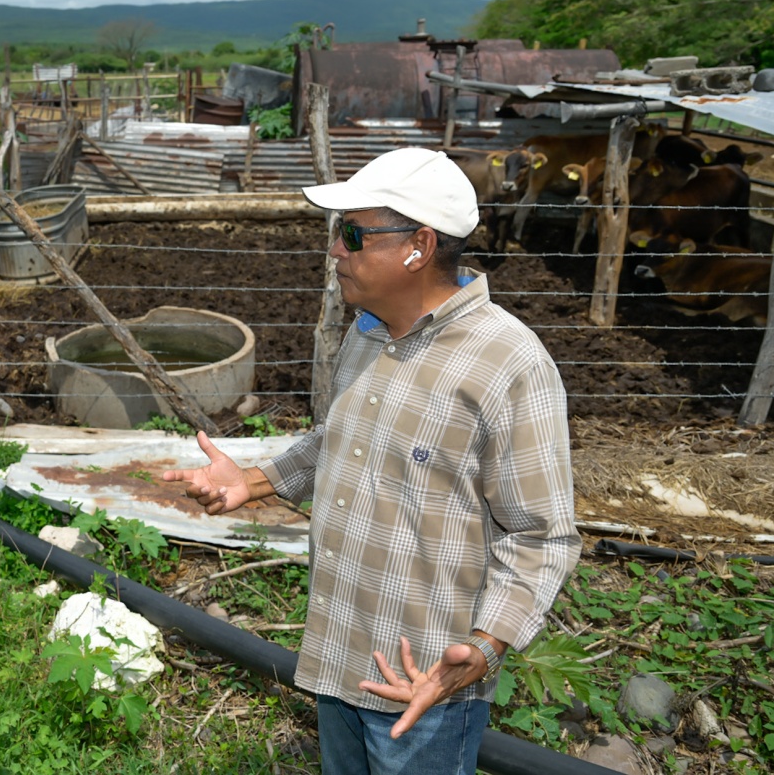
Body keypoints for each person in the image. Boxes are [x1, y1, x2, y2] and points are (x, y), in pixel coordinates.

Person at [163, 148, 581, 775]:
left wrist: (484, 648)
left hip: (425, 682)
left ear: (419, 246)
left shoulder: (508, 364)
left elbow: (541, 536)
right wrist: (251, 481)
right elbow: (340, 437)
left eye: (353, 234)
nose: (336, 250)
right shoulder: (366, 333)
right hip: (338, 653)